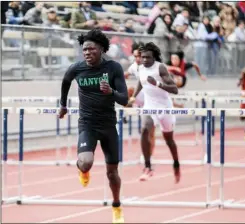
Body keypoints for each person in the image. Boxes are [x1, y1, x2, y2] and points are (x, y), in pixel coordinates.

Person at [58, 29, 128, 223]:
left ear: (102, 49)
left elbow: (124, 99)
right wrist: (63, 105)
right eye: (84, 50)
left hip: (108, 125)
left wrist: (111, 92)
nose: (87, 53)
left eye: (91, 49)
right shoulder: (77, 68)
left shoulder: (114, 68)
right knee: (86, 161)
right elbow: (65, 81)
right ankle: (83, 169)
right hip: (87, 123)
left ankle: (116, 207)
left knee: (112, 173)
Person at [128, 42, 181, 183]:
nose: (144, 60)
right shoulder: (140, 68)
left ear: (154, 58)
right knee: (145, 129)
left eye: (147, 57)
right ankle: (148, 166)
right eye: (142, 57)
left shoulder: (160, 68)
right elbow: (141, 82)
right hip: (149, 105)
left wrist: (157, 84)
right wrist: (134, 96)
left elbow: (175, 89)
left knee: (169, 140)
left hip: (165, 107)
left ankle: (176, 162)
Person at [125, 41, 156, 156]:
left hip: (153, 101)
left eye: (139, 56)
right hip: (142, 98)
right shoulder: (134, 66)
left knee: (150, 132)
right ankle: (125, 113)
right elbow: (125, 74)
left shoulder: (151, 65)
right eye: (135, 56)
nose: (137, 59)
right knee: (127, 89)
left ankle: (149, 156)